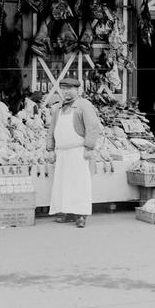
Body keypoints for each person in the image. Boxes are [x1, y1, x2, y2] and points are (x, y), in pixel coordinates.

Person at [45, 77, 101, 229]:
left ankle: (81, 215)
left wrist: (89, 147)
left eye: (70, 88)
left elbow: (92, 127)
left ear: (77, 90)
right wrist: (50, 148)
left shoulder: (84, 105)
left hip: (78, 150)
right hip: (62, 152)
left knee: (79, 183)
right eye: (63, 89)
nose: (66, 92)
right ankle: (66, 211)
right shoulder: (58, 107)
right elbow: (52, 129)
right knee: (63, 183)